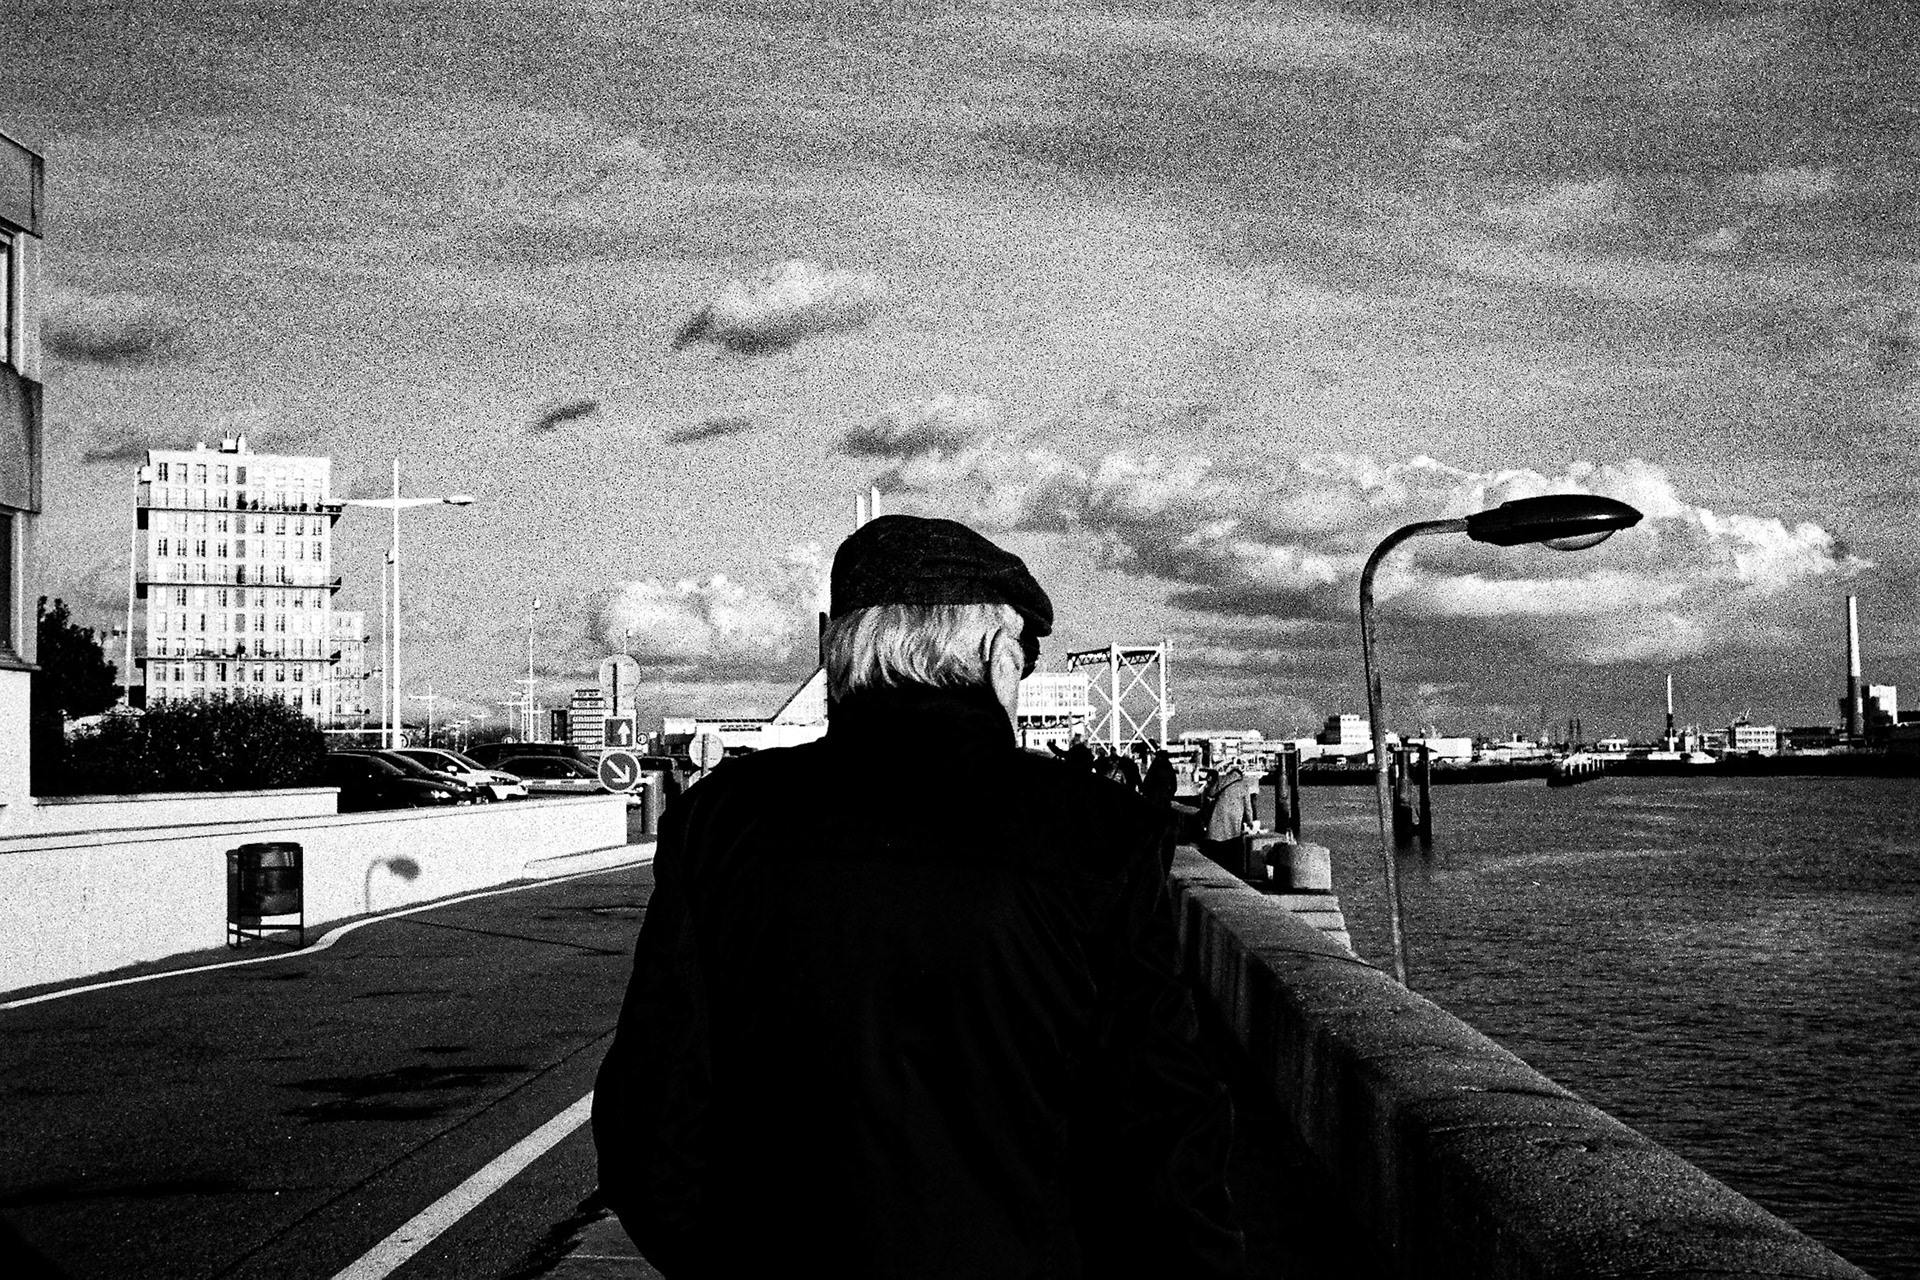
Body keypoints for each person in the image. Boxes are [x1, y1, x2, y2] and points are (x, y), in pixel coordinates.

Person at [593, 514, 1244, 1279]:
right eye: (1024, 658)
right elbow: (1164, 1132)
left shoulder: (721, 819)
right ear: (992, 650)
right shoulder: (1100, 831)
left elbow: (649, 1125)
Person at [1197, 764, 1255, 876]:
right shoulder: (1243, 785)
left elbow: (1210, 793)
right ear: (1240, 775)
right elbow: (1248, 807)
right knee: (1230, 842)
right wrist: (1250, 822)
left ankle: (1218, 867)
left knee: (1218, 842)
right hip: (1233, 818)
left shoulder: (1222, 779)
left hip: (1218, 814)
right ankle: (1232, 870)